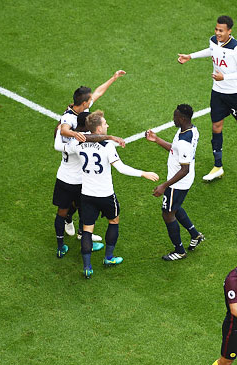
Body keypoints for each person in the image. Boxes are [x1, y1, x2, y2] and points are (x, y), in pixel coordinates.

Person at [65, 110, 158, 278]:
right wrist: (143, 173)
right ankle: (108, 258)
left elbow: (70, 145)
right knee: (113, 221)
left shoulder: (78, 142)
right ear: (98, 129)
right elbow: (121, 168)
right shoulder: (107, 146)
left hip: (87, 194)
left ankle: (87, 268)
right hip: (106, 195)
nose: (107, 125)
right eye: (105, 123)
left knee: (87, 230)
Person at [177, 15, 237, 182]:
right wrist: (190, 56)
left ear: (229, 31)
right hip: (217, 92)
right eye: (216, 29)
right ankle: (218, 166)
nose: (217, 33)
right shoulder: (213, 40)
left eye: (221, 30)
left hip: (234, 93)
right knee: (216, 126)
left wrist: (224, 78)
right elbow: (211, 51)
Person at [58, 70, 127, 238]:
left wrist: (113, 78)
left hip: (83, 159)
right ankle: (72, 222)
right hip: (74, 161)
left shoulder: (82, 108)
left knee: (84, 198)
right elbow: (64, 130)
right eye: (89, 100)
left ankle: (82, 231)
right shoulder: (68, 117)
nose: (92, 100)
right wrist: (77, 135)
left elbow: (98, 92)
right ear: (83, 103)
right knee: (81, 198)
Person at [52, 112, 126, 257]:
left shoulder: (71, 139)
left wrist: (60, 126)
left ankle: (60, 247)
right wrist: (110, 137)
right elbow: (95, 138)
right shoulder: (84, 140)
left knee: (61, 212)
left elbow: (57, 145)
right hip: (80, 182)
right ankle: (85, 241)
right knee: (84, 213)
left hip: (63, 179)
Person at [145, 104, 205, 261]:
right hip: (181, 180)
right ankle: (195, 235)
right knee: (175, 208)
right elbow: (175, 150)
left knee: (167, 213)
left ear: (183, 118)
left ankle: (179, 250)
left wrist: (164, 186)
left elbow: (184, 169)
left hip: (178, 182)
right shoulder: (190, 130)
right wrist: (157, 140)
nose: (173, 119)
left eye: (175, 116)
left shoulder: (185, 141)